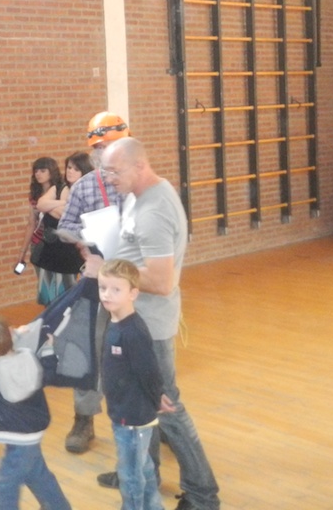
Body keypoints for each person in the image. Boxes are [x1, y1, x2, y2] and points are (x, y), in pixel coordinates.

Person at [84, 137, 221, 510]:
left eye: (114, 171)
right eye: (105, 171)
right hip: (132, 316)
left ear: (139, 166)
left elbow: (162, 282)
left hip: (149, 326)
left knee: (167, 407)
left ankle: (203, 495)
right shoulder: (137, 195)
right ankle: (146, 475)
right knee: (143, 403)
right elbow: (135, 254)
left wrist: (105, 270)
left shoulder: (155, 210)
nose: (108, 178)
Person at [57, 112, 130, 456]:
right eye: (99, 147)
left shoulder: (142, 183)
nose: (104, 152)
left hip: (137, 277)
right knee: (86, 347)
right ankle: (83, 418)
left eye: (110, 145)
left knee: (142, 349)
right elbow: (66, 227)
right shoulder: (85, 186)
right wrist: (87, 242)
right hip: (98, 277)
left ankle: (154, 417)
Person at [99, 258, 175, 510]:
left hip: (132, 418)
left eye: (116, 289)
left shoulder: (132, 332)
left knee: (131, 477)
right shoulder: (115, 322)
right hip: (125, 412)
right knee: (144, 469)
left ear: (133, 293)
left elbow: (149, 370)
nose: (107, 294)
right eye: (103, 288)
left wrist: (156, 397)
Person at [0, 314, 73, 510]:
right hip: (32, 429)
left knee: (4, 485)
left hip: (16, 436)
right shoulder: (28, 358)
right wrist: (48, 350)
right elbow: (47, 373)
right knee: (39, 476)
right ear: (10, 334)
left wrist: (14, 335)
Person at [18, 157, 69, 305]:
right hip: (39, 244)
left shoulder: (62, 189)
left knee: (62, 288)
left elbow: (64, 215)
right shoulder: (35, 194)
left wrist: (49, 206)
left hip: (58, 245)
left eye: (42, 170)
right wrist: (22, 253)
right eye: (36, 171)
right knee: (45, 289)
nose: (38, 174)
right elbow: (31, 224)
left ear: (51, 171)